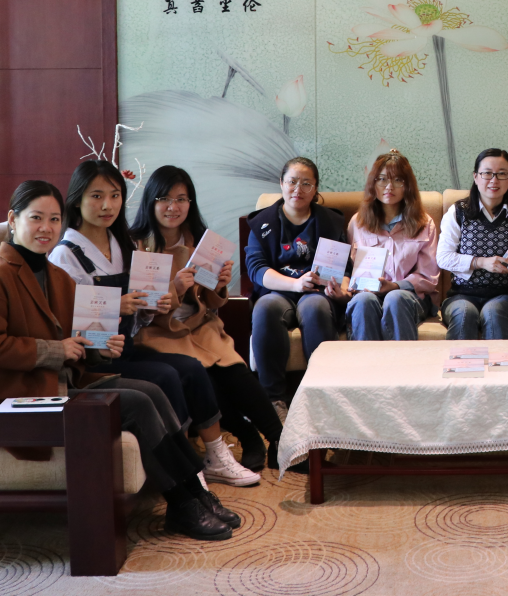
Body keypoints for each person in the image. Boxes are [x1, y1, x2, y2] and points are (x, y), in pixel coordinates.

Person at [0, 180, 238, 541]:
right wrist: (56, 350)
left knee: (151, 391)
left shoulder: (55, 276)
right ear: (13, 220)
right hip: (19, 395)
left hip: (60, 382)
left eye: (54, 219)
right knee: (136, 402)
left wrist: (99, 348)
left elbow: (77, 333)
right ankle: (183, 503)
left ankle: (194, 493)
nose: (46, 228)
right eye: (36, 218)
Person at [49, 160, 259, 488]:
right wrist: (116, 306)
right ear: (77, 200)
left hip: (126, 347)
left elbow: (139, 314)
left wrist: (151, 306)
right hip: (93, 360)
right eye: (96, 196)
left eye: (115, 195)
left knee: (192, 369)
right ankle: (183, 467)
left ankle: (215, 456)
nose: (107, 205)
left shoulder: (121, 244)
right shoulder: (66, 255)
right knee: (167, 375)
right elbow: (65, 323)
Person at [133, 166, 293, 474]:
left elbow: (210, 302)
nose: (173, 207)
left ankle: (279, 440)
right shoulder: (138, 245)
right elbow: (143, 309)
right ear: (151, 202)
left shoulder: (199, 242)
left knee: (235, 370)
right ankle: (249, 436)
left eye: (181, 199)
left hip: (199, 326)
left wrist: (219, 284)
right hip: (159, 332)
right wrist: (175, 289)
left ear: (190, 203)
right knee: (204, 376)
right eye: (164, 199)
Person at [244, 157, 349, 398]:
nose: (298, 189)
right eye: (292, 182)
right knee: (265, 307)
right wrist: (296, 284)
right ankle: (274, 399)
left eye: (306, 184)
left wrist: (340, 290)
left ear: (315, 189)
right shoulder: (262, 223)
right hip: (278, 291)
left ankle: (322, 395)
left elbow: (344, 269)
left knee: (314, 307)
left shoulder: (331, 222)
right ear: (281, 183)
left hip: (317, 293)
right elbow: (257, 269)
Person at [436, 148, 508, 341]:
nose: (494, 180)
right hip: (461, 295)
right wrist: (481, 262)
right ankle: (462, 361)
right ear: (476, 176)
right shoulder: (458, 212)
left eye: (502, 174)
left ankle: (503, 362)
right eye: (487, 173)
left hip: (506, 297)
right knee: (464, 313)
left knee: (493, 312)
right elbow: (443, 258)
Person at [346, 151, 441, 341]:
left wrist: (395, 286)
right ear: (373, 183)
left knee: (395, 297)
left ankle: (402, 360)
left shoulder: (424, 223)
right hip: (368, 293)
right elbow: (351, 268)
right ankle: (364, 359)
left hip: (410, 297)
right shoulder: (358, 223)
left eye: (398, 180)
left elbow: (429, 276)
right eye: (382, 179)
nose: (389, 187)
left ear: (408, 186)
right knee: (363, 300)